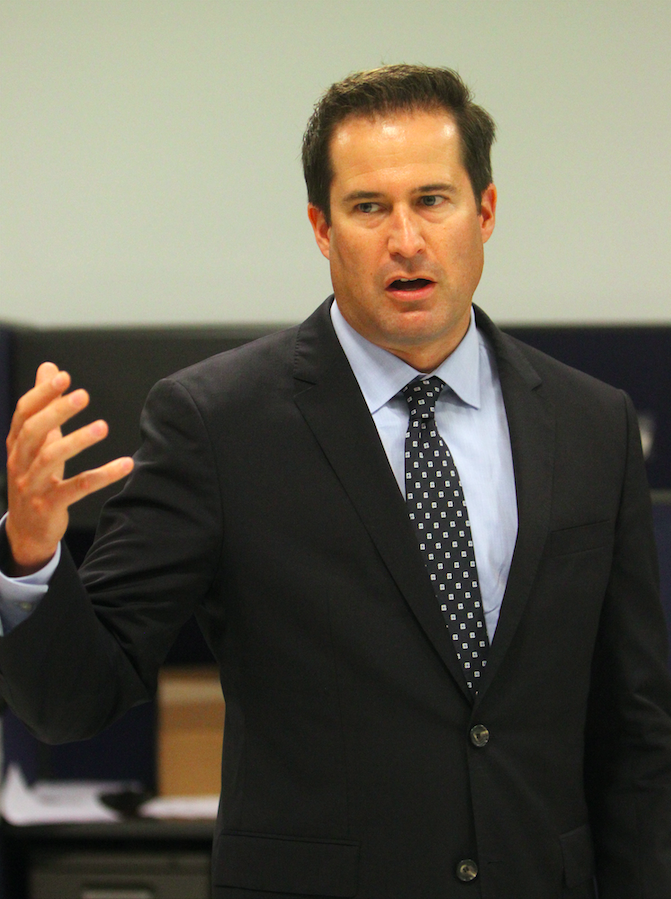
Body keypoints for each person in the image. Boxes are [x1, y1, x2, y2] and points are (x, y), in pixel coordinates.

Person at [1, 64, 670, 899]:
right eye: (367, 208)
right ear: (321, 228)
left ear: (484, 212)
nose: (405, 239)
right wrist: (31, 559)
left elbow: (636, 727)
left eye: (432, 200)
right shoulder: (216, 422)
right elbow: (77, 699)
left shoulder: (591, 423)